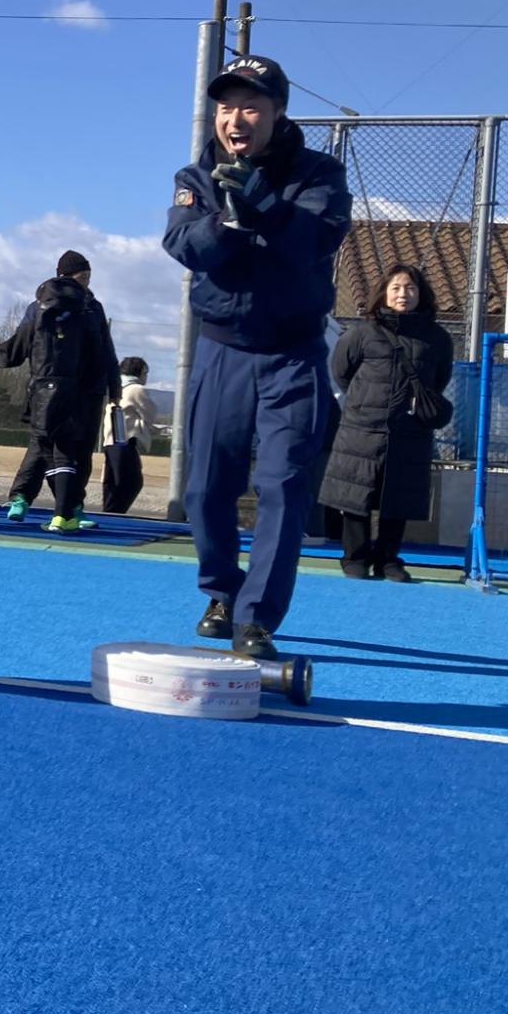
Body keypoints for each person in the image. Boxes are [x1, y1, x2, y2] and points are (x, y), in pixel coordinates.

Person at [163, 53, 351, 658]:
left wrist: (267, 205)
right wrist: (227, 221)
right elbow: (183, 243)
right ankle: (221, 592)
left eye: (250, 106)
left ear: (278, 112)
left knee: (283, 486)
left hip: (293, 354)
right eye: (225, 107)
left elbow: (319, 238)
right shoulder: (196, 176)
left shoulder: (320, 173)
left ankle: (257, 618)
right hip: (221, 351)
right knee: (204, 488)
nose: (235, 119)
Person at [318, 265, 454, 582]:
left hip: (410, 430)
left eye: (410, 288)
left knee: (398, 496)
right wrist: (365, 402)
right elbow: (341, 372)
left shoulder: (437, 338)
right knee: (354, 494)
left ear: (421, 294)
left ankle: (388, 560)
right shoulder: (361, 333)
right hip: (361, 428)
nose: (403, 294)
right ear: (384, 293)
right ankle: (354, 558)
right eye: (396, 288)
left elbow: (439, 379)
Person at [0, 250, 121, 533]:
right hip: (87, 393)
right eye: (86, 276)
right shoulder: (91, 307)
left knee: (42, 445)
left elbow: (18, 347)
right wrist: (113, 387)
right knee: (77, 452)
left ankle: (22, 499)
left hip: (47, 388)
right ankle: (70, 509)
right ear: (81, 276)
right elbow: (105, 350)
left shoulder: (39, 306)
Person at [100, 355, 157, 514]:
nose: (146, 377)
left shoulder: (117, 388)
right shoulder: (137, 389)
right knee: (132, 482)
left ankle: (109, 513)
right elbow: (150, 413)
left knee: (112, 482)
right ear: (139, 372)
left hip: (110, 441)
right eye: (145, 373)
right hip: (126, 440)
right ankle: (115, 513)